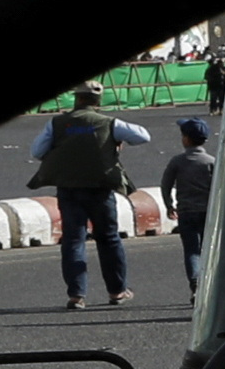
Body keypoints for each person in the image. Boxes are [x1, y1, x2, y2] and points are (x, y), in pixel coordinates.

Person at [27, 82, 144, 307]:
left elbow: (37, 151)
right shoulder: (109, 123)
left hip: (69, 190)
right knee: (109, 239)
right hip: (100, 190)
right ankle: (117, 291)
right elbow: (142, 136)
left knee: (73, 240)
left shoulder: (58, 123)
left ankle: (76, 295)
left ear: (76, 98)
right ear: (97, 101)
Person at [161, 117, 219, 293]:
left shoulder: (177, 161)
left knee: (192, 251)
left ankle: (195, 282)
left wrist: (169, 205)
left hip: (186, 212)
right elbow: (219, 187)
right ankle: (209, 287)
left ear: (186, 139)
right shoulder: (211, 161)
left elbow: (166, 185)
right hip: (207, 212)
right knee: (208, 249)